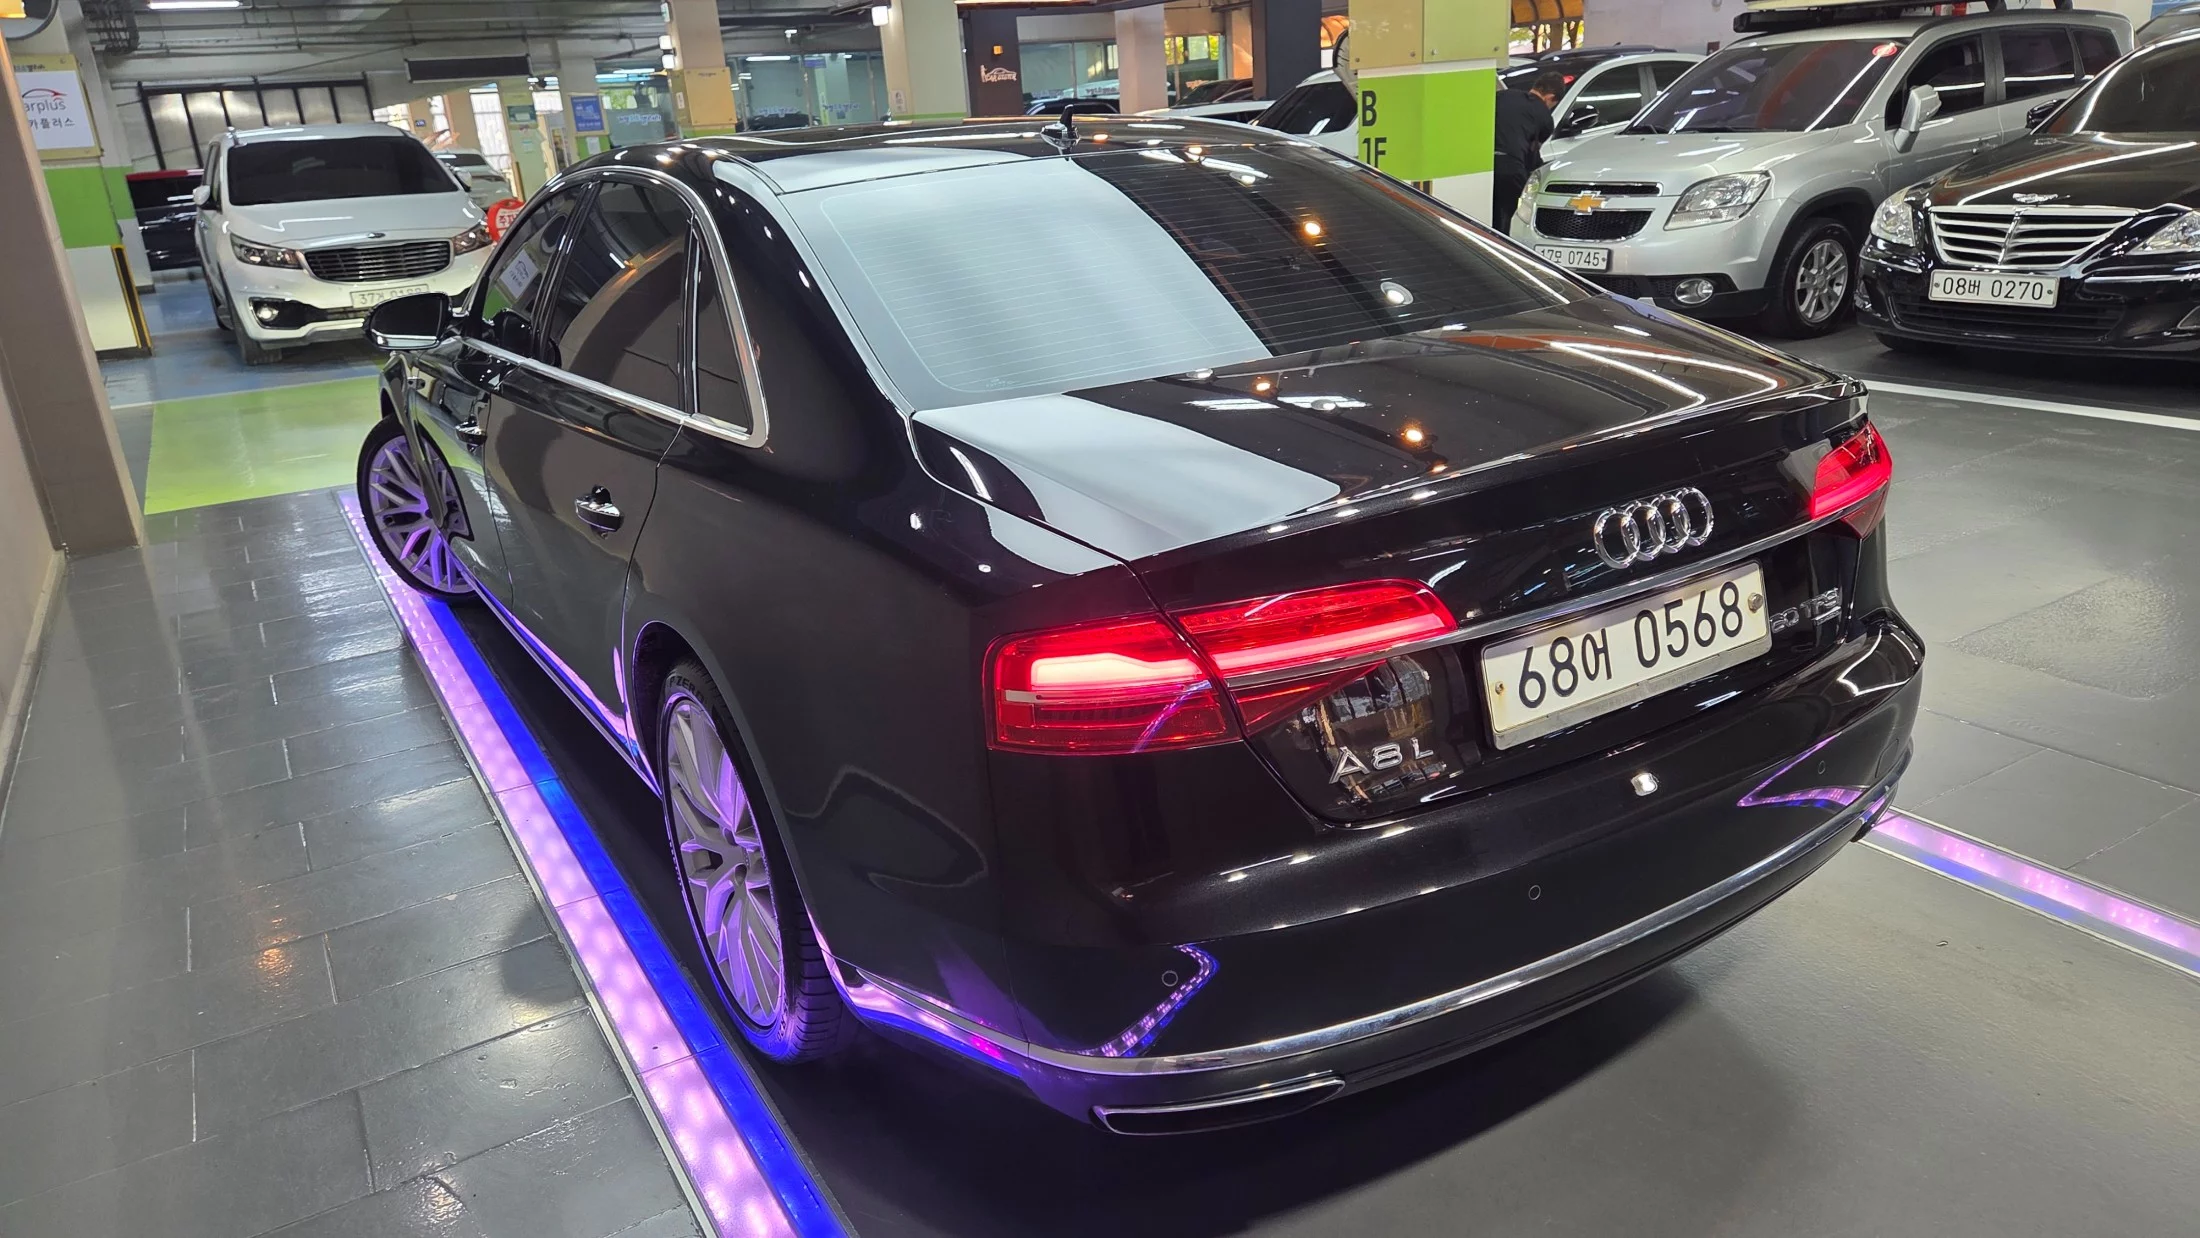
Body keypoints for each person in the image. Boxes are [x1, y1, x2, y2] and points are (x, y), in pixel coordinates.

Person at [1493, 71, 1563, 238]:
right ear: (1550, 97)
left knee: (1491, 212)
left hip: (1485, 166)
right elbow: (1532, 154)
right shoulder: (1544, 117)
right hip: (1511, 167)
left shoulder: (1503, 96)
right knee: (1518, 215)